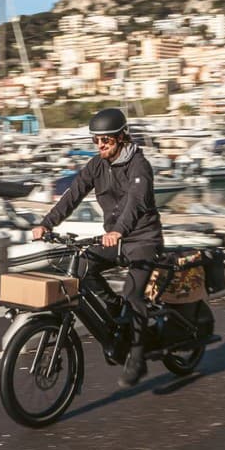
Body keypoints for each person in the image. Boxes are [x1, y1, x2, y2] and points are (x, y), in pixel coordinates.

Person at [32, 108, 163, 387]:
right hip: (115, 241)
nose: (101, 145)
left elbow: (136, 202)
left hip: (142, 240)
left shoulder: (139, 166)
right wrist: (46, 223)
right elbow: (73, 194)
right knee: (83, 266)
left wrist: (119, 230)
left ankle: (137, 359)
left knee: (133, 294)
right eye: (96, 140)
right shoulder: (96, 165)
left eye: (106, 140)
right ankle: (115, 309)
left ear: (122, 137)